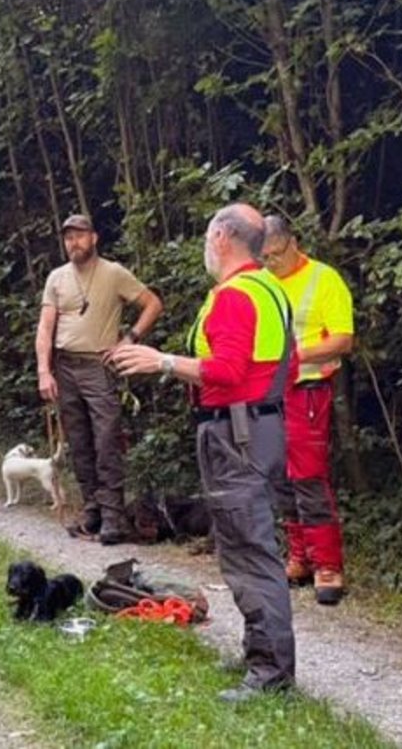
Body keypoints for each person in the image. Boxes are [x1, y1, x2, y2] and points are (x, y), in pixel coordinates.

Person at [110, 203, 296, 702]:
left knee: (248, 552)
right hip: (260, 427)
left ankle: (270, 674)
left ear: (221, 238)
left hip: (237, 434)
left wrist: (161, 362)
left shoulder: (235, 296)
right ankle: (262, 654)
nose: (204, 246)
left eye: (206, 236)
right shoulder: (270, 288)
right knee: (246, 545)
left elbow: (228, 371)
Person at [36, 214, 162, 545]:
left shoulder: (113, 272)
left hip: (98, 365)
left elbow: (152, 304)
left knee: (106, 439)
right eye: (68, 238)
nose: (73, 243)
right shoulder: (57, 277)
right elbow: (45, 327)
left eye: (79, 236)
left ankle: (112, 514)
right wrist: (44, 371)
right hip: (65, 364)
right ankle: (92, 507)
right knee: (78, 441)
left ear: (93, 238)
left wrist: (129, 339)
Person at [262, 215, 354, 605]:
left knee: (309, 477)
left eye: (276, 254)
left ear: (293, 242)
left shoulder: (324, 279)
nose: (271, 262)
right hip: (268, 394)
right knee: (279, 476)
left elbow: (343, 339)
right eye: (264, 257)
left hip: (308, 390)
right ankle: (299, 556)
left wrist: (296, 357)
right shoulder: (263, 283)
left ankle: (327, 565)